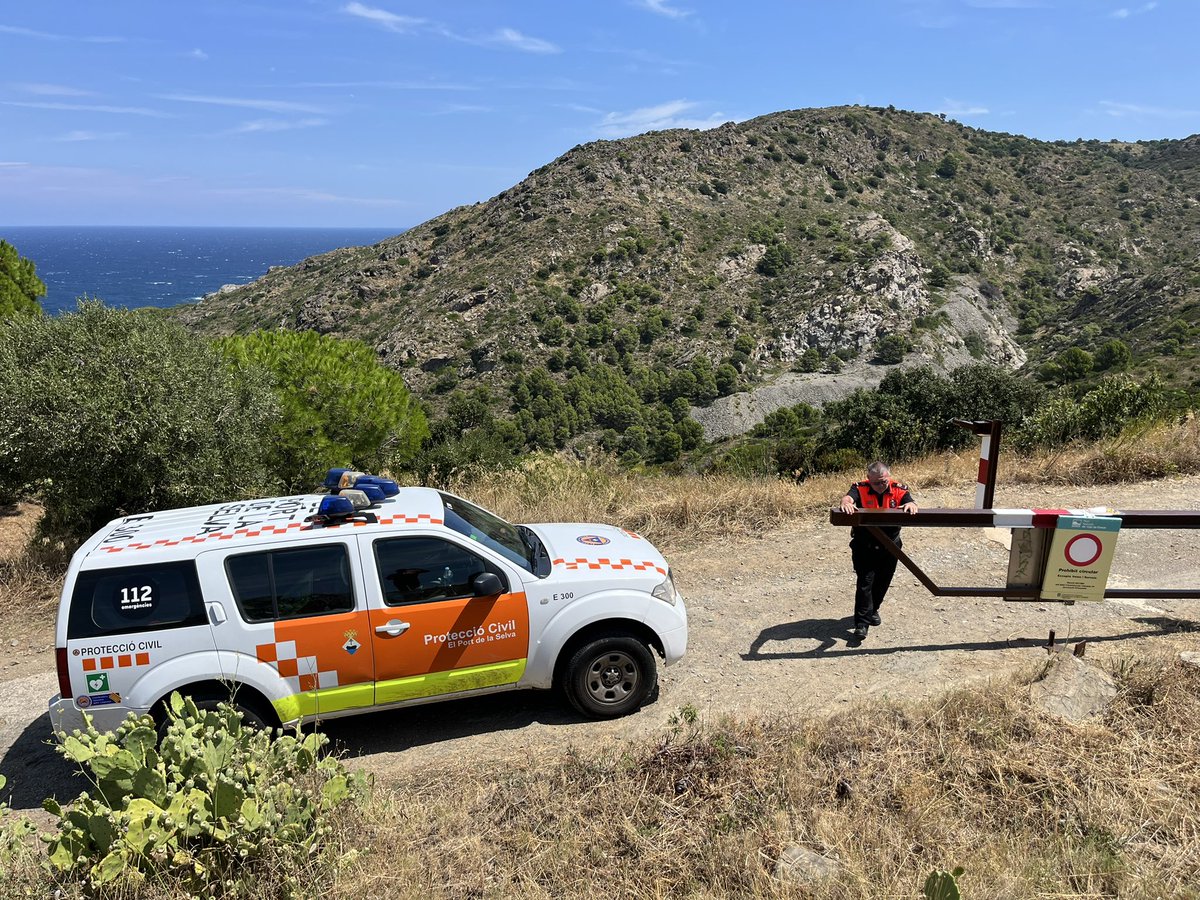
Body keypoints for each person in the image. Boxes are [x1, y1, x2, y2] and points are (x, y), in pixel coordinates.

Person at [838, 461, 918, 639]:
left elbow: (909, 501)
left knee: (883, 580)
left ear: (889, 477)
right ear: (868, 479)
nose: (881, 486)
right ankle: (861, 623)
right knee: (865, 581)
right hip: (864, 544)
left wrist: (911, 505)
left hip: (890, 545)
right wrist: (846, 503)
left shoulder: (899, 488)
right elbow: (848, 498)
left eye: (884, 481)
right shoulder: (860, 488)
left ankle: (874, 609)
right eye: (876, 482)